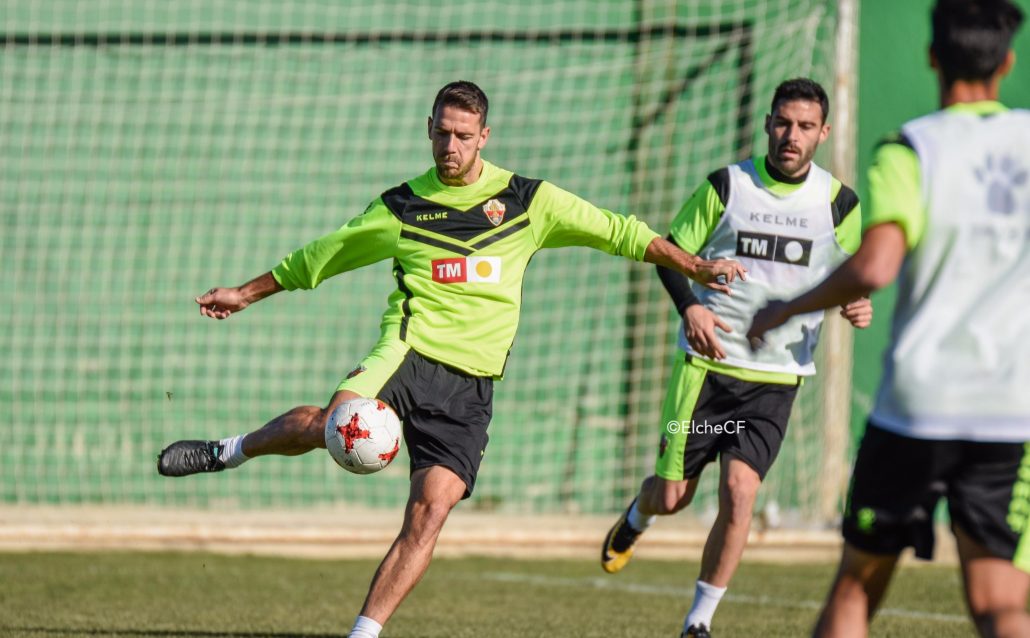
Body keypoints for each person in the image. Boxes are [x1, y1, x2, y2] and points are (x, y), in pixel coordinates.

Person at [155, 81, 745, 638]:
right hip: (406, 356)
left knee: (428, 514)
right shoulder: (403, 205)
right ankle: (227, 451)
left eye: (463, 135)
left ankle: (364, 632)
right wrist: (244, 292)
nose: (451, 147)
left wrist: (696, 267)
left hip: (471, 387)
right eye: (441, 133)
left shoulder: (528, 202)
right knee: (331, 430)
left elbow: (621, 232)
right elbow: (319, 258)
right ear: (428, 130)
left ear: (484, 135)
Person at [747, 2, 1030, 637]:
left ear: (932, 57)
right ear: (1007, 63)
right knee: (999, 604)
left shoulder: (913, 147)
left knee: (855, 590)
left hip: (918, 407)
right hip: (1010, 409)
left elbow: (875, 266)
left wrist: (786, 307)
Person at [600, 78, 873, 638]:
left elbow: (848, 276)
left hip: (776, 380)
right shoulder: (727, 185)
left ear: (822, 133)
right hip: (704, 374)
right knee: (674, 495)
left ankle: (698, 621)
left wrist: (856, 302)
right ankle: (638, 516)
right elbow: (669, 254)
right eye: (782, 122)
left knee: (741, 491)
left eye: (803, 127)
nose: (790, 136)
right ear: (768, 122)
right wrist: (690, 311)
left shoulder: (840, 204)